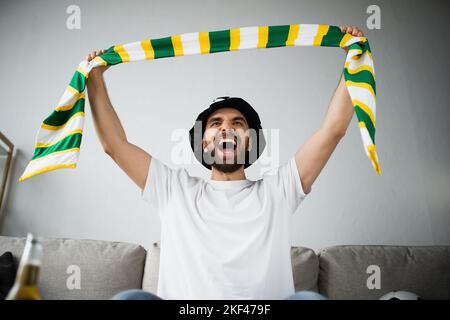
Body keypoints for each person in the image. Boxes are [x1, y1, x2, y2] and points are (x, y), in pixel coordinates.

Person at [86, 26, 364, 300]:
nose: (226, 129)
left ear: (251, 141)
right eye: (216, 123)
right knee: (130, 299)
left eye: (237, 123)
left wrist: (354, 58)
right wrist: (95, 77)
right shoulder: (174, 188)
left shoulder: (278, 190)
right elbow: (115, 146)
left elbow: (333, 130)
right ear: (204, 142)